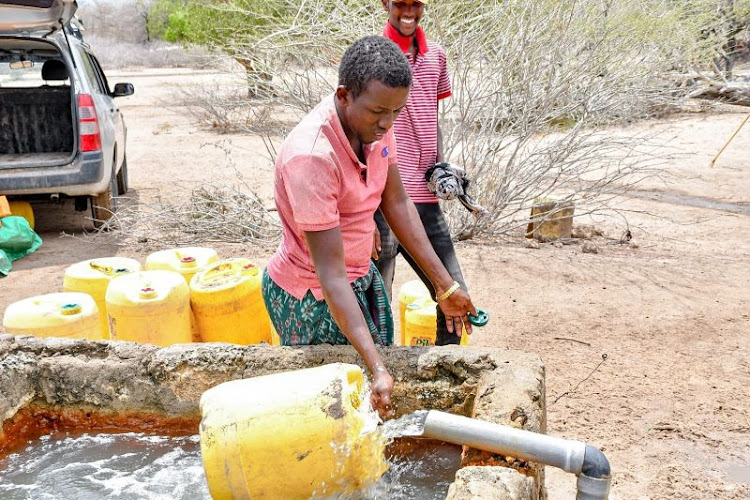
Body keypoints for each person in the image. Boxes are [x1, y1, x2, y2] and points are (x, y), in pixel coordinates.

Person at [262, 36, 477, 418]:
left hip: (360, 278)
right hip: (312, 297)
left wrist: (446, 286)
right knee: (331, 415)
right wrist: (376, 367)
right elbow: (331, 276)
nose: (388, 123)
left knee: (370, 413)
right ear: (344, 96)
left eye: (396, 111)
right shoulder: (311, 157)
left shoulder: (376, 123)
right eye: (379, 111)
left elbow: (396, 202)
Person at [374, 0, 469, 346]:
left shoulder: (436, 57)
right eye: (401, 3)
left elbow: (432, 116)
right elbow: (356, 129)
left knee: (454, 299)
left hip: (425, 200)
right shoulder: (373, 55)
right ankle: (375, 383)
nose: (409, 11)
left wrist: (441, 166)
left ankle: (447, 379)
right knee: (375, 307)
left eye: (416, 3)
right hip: (382, 201)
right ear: (386, 3)